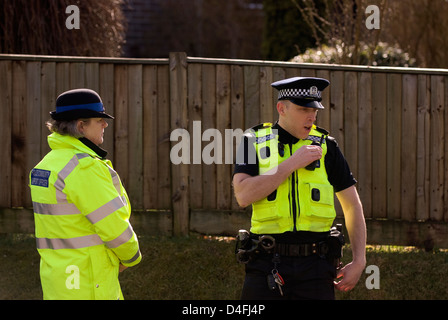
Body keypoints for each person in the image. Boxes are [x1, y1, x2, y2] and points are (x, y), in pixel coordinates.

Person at [233, 77, 366, 300]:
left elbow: (352, 206)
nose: (312, 116)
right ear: (281, 108)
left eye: (315, 110)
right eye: (304, 109)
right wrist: (292, 163)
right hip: (266, 263)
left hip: (317, 266)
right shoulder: (251, 140)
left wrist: (360, 260)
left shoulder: (327, 146)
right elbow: (243, 195)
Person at [29, 88, 141, 300]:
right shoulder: (84, 168)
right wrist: (131, 257)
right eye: (99, 120)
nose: (105, 124)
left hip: (58, 282)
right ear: (81, 125)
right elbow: (114, 226)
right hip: (90, 284)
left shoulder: (44, 167)